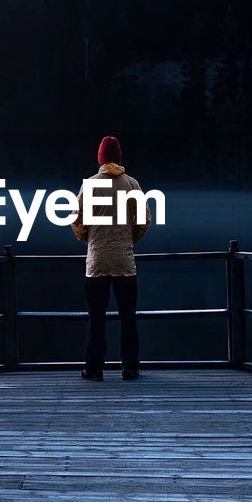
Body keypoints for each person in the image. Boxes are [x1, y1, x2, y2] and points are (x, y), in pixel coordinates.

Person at [72, 135, 149, 380]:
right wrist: (127, 241)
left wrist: (89, 240)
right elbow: (143, 221)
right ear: (119, 157)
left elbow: (78, 221)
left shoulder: (90, 185)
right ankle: (130, 367)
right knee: (128, 318)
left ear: (100, 157)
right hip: (125, 263)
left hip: (97, 263)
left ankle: (94, 369)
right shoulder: (132, 185)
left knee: (96, 319)